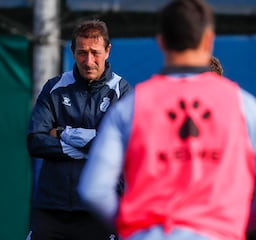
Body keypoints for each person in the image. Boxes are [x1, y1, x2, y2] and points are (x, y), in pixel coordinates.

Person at [79, 0, 256, 240]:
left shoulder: (131, 107)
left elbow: (94, 190)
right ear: (208, 40)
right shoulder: (243, 106)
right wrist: (235, 224)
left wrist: (133, 228)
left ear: (161, 41)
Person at [26, 19, 132, 240]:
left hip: (98, 210)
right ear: (73, 51)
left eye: (95, 52)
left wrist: (64, 133)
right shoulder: (54, 87)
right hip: (52, 208)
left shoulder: (121, 91)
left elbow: (121, 146)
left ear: (108, 51)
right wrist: (92, 145)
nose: (89, 61)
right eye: (82, 53)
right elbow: (35, 140)